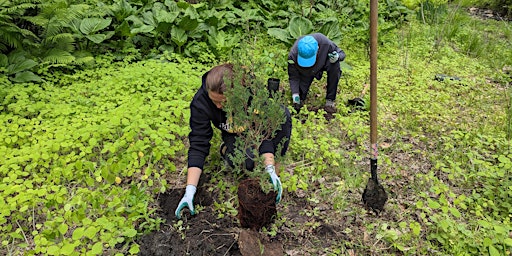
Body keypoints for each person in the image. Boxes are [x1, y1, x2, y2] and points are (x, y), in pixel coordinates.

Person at [175, 63, 293, 219]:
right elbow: (198, 144)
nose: (218, 106)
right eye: (214, 101)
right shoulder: (201, 102)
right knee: (248, 162)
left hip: (254, 127)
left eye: (223, 103)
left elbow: (263, 134)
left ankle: (273, 175)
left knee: (281, 115)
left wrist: (270, 167)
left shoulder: (253, 93)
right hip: (233, 132)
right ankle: (226, 150)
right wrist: (190, 191)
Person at [288, 33, 346, 114]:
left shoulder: (324, 43)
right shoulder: (293, 55)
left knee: (334, 65)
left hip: (323, 63)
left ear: (318, 49)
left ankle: (330, 100)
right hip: (306, 72)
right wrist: (295, 94)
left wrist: (337, 56)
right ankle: (300, 98)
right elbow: (293, 77)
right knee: (300, 96)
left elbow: (342, 54)